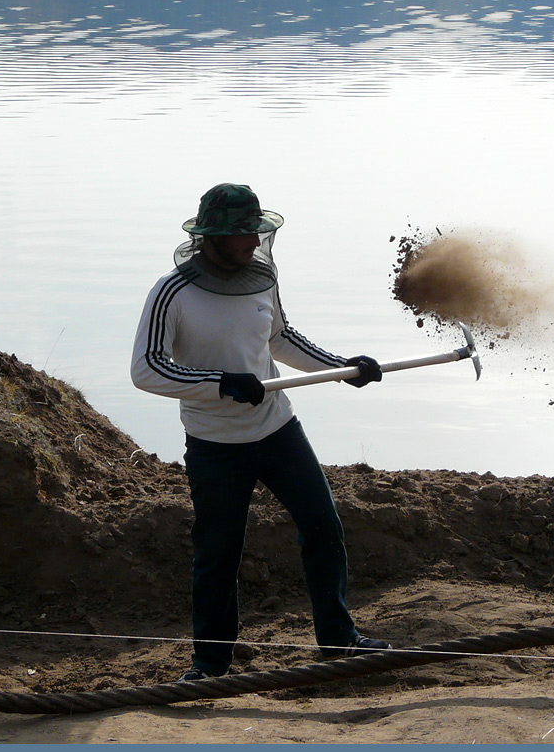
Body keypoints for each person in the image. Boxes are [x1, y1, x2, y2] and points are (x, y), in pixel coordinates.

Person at [131, 182, 391, 682]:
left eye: (257, 230)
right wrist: (219, 384)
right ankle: (209, 664)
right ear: (213, 235)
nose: (254, 241)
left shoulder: (261, 279)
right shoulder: (171, 293)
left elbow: (280, 338)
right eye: (244, 232)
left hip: (277, 430)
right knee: (218, 553)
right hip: (214, 445)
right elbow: (147, 369)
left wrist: (345, 368)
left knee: (322, 525)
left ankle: (338, 640)